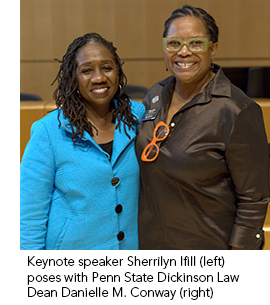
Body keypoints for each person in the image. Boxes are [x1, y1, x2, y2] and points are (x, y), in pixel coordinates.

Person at [136, 5, 269, 250]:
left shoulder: (237, 110)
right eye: (174, 43)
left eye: (196, 43)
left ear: (213, 48)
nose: (183, 52)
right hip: (151, 247)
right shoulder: (155, 94)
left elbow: (254, 199)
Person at [20, 33, 145, 250]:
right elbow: (30, 215)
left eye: (107, 67)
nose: (99, 78)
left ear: (118, 72)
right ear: (73, 77)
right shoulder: (48, 131)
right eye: (87, 70)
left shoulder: (137, 117)